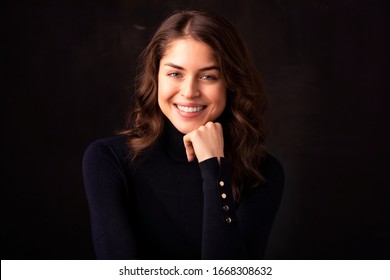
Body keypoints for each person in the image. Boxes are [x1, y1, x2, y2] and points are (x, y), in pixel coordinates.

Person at [82, 10, 284, 260]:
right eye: (175, 74)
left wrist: (214, 169)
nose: (189, 92)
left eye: (208, 76)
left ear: (231, 83)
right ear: (156, 77)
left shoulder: (262, 173)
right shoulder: (108, 159)